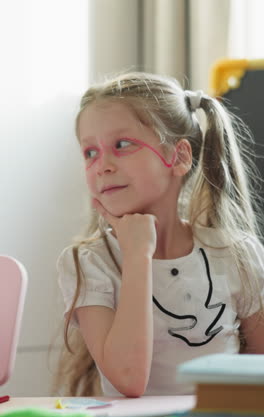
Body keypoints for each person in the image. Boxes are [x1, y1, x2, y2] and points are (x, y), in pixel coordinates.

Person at [55, 71, 264, 398]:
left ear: (178, 156)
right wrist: (138, 255)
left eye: (122, 145)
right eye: (89, 152)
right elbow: (129, 379)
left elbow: (257, 374)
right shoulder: (88, 262)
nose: (102, 165)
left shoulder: (237, 252)